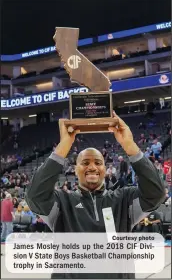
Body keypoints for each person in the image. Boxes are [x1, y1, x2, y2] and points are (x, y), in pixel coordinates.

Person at [26, 112, 165, 279]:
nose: (92, 167)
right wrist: (63, 147)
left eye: (98, 163)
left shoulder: (124, 199)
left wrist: (130, 145)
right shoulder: (62, 202)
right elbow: (34, 196)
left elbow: (156, 194)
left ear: (105, 169)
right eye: (85, 163)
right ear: (75, 170)